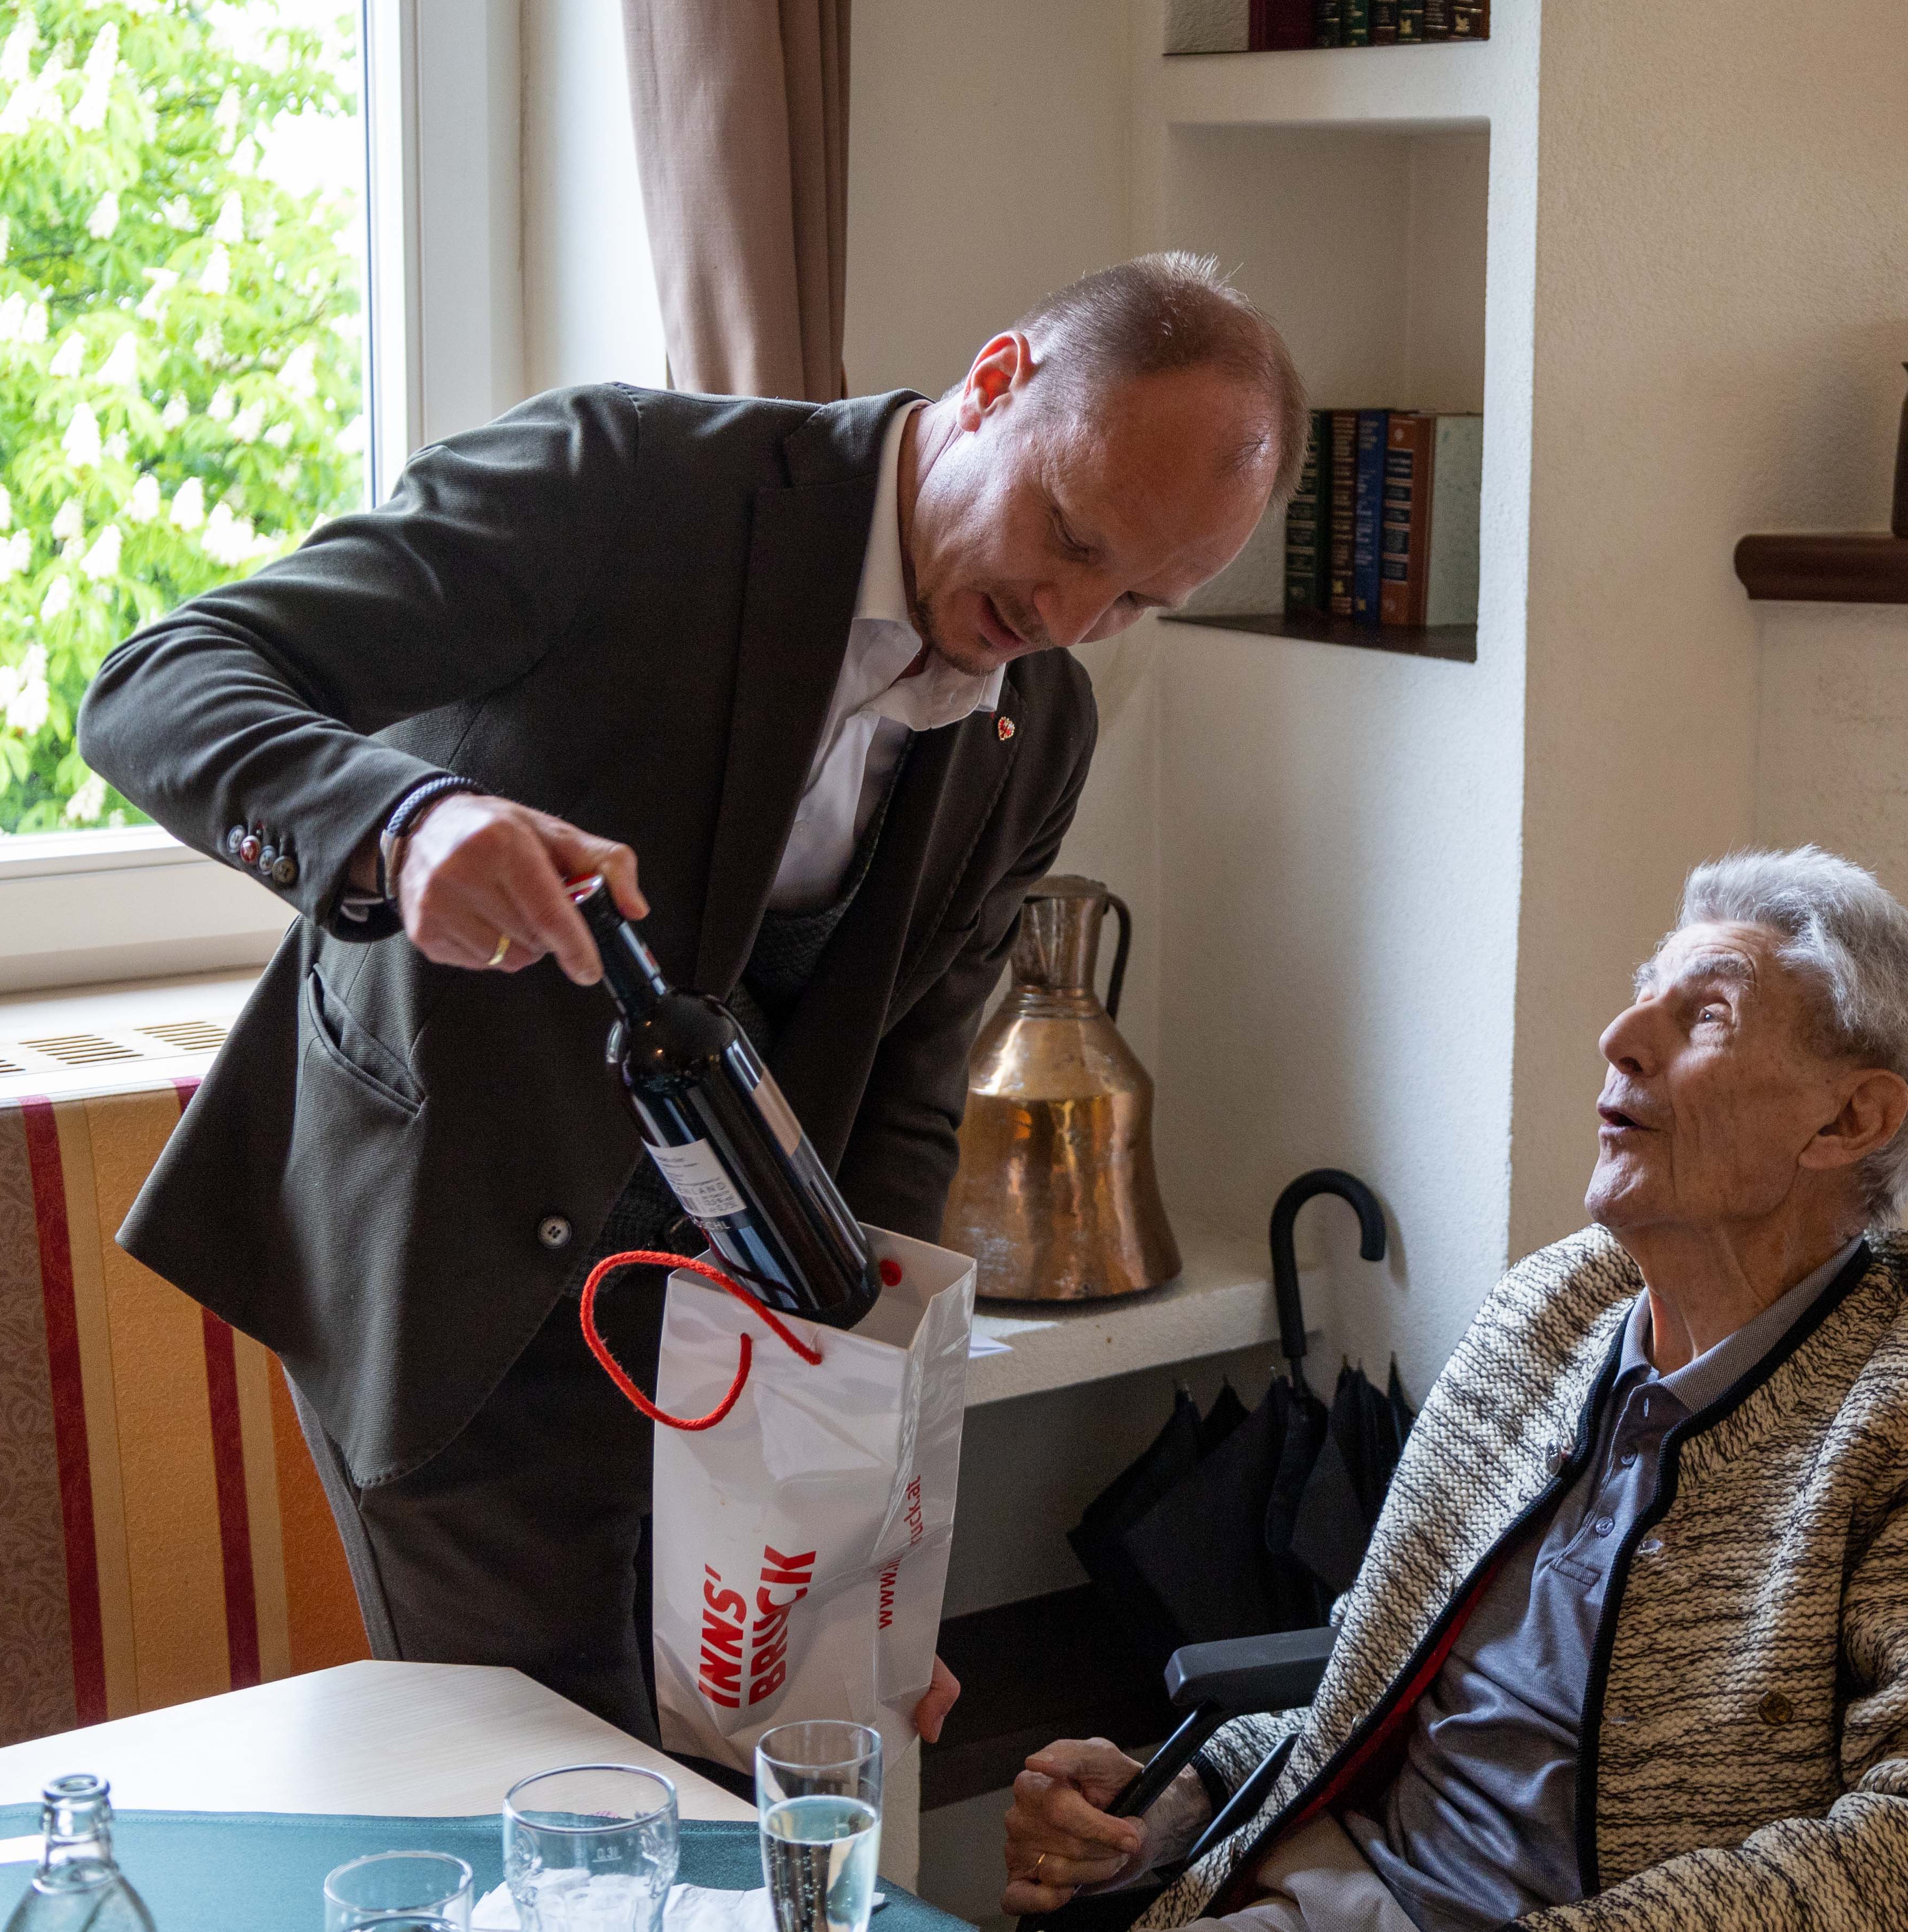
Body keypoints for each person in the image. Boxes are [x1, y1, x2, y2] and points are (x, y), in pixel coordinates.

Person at [79, 252, 1306, 1748]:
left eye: (1139, 598)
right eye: (1067, 533)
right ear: (993, 382)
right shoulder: (617, 484)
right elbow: (163, 679)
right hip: (455, 1277)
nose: (1068, 612)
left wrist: (871, 1527)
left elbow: (905, 1101)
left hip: (734, 1359)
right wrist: (402, 827)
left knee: (738, 1793)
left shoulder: (1032, 728)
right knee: (555, 1798)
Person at [1001, 848, 1908, 1932]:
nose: (1619, 1040)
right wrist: (1169, 1800)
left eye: (1703, 1015)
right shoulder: (1548, 1311)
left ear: (1847, 1122)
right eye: (1638, 1001)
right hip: (1328, 1890)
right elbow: (1387, 1683)